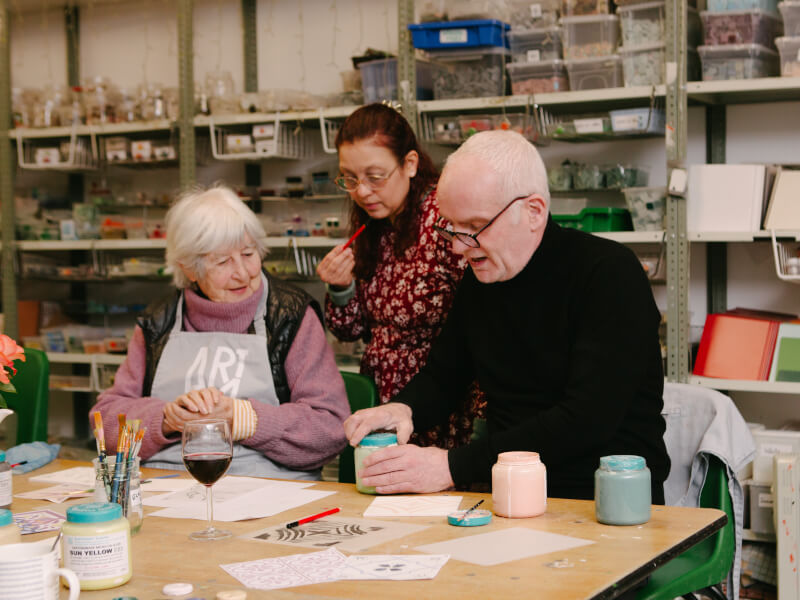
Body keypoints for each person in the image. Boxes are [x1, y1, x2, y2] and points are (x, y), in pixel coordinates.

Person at [343, 130, 670, 501]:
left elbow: (585, 420)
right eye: (451, 227)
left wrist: (449, 466)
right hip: (511, 492)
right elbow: (445, 374)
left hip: (603, 497)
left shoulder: (608, 274)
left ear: (533, 211)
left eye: (475, 226)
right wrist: (403, 409)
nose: (458, 246)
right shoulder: (482, 277)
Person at [92, 185, 350, 479]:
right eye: (223, 262)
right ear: (189, 269)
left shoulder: (290, 316)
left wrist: (242, 418)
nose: (243, 272)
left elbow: (330, 429)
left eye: (249, 253)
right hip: (167, 486)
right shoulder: (158, 322)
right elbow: (106, 423)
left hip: (269, 487)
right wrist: (165, 419)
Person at [316, 102, 484, 450]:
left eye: (375, 177)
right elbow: (352, 331)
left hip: (442, 405)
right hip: (383, 405)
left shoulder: (444, 219)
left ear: (409, 164)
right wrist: (341, 288)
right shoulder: (373, 226)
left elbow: (480, 322)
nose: (362, 191)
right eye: (349, 178)